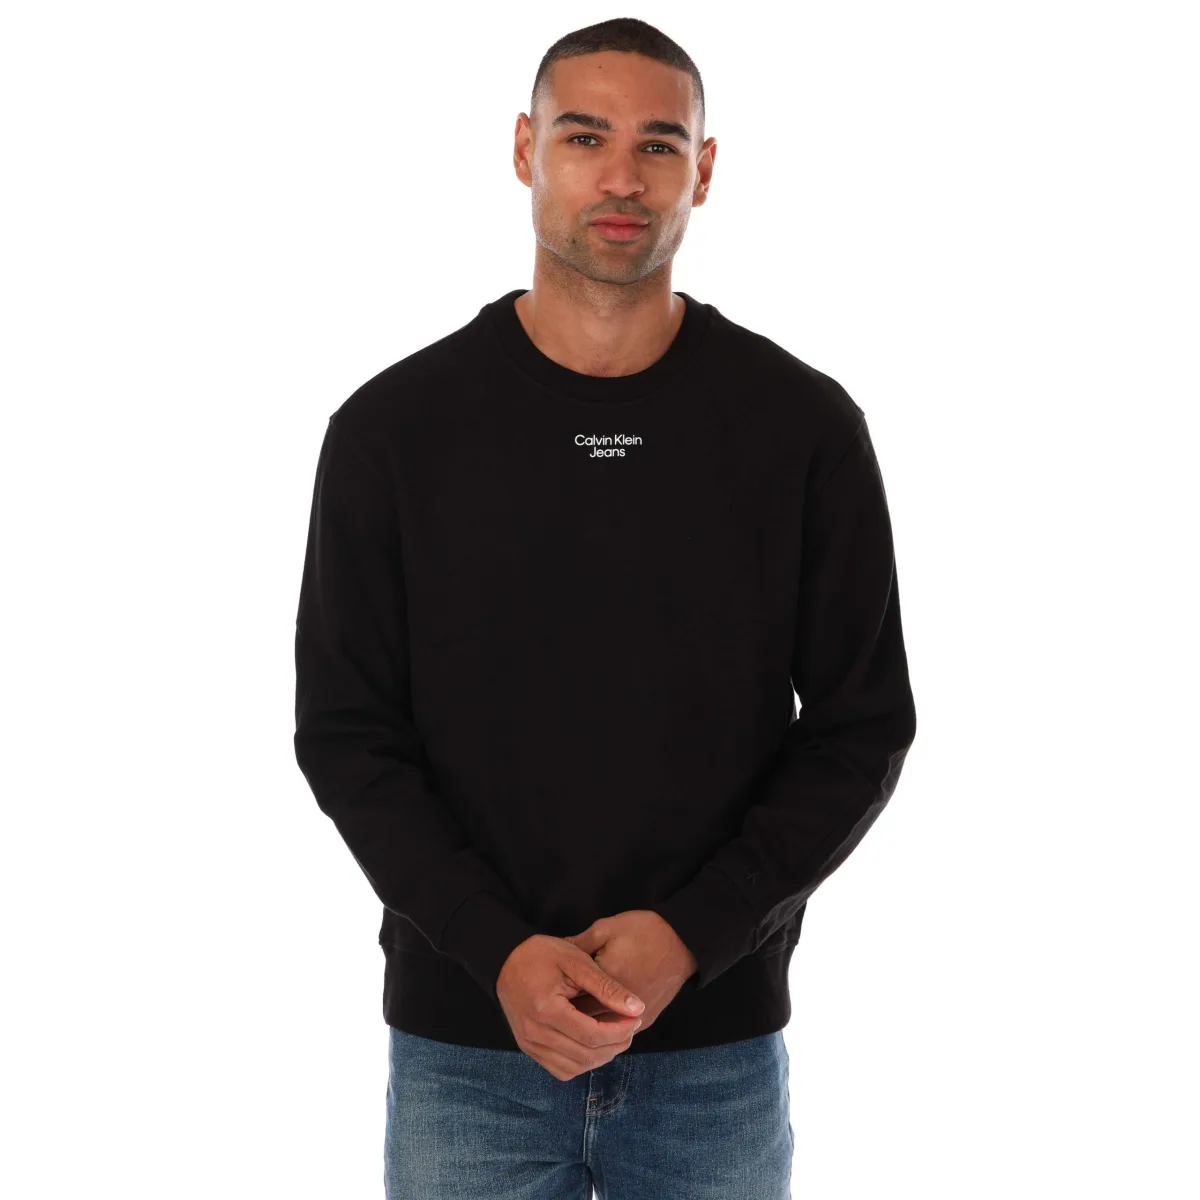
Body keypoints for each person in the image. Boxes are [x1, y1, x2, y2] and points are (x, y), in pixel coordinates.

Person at [293, 16, 917, 1199]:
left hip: (713, 1051)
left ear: (705, 169)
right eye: (585, 137)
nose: (623, 178)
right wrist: (497, 953)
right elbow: (347, 733)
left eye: (658, 145)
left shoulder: (801, 429)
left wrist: (693, 935)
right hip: (465, 1052)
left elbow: (861, 727)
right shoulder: (393, 432)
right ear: (524, 149)